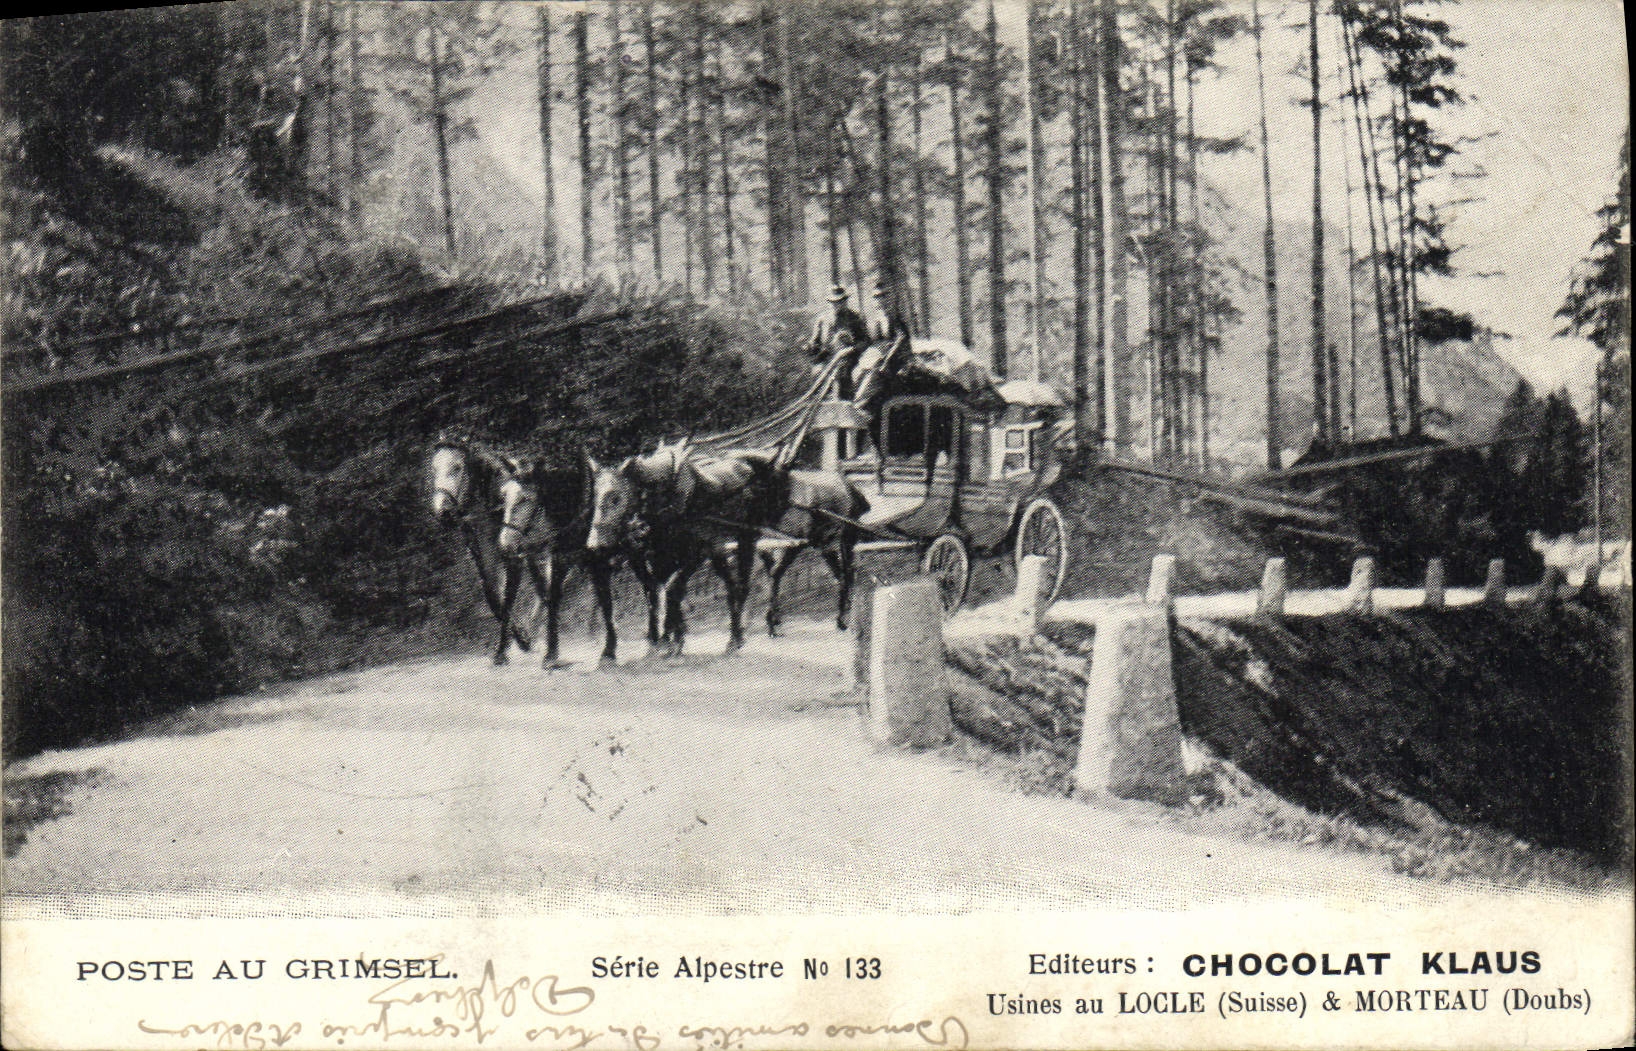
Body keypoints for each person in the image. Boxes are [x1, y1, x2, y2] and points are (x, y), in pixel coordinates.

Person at [807, 286, 871, 398]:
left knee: (843, 376)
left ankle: (842, 401)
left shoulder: (854, 318)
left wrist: (852, 349)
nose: (837, 305)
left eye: (840, 301)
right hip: (827, 358)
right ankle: (819, 402)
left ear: (845, 302)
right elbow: (815, 341)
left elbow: (865, 341)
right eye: (833, 302)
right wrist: (811, 347)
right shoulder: (822, 319)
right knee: (817, 372)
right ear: (829, 303)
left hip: (849, 358)